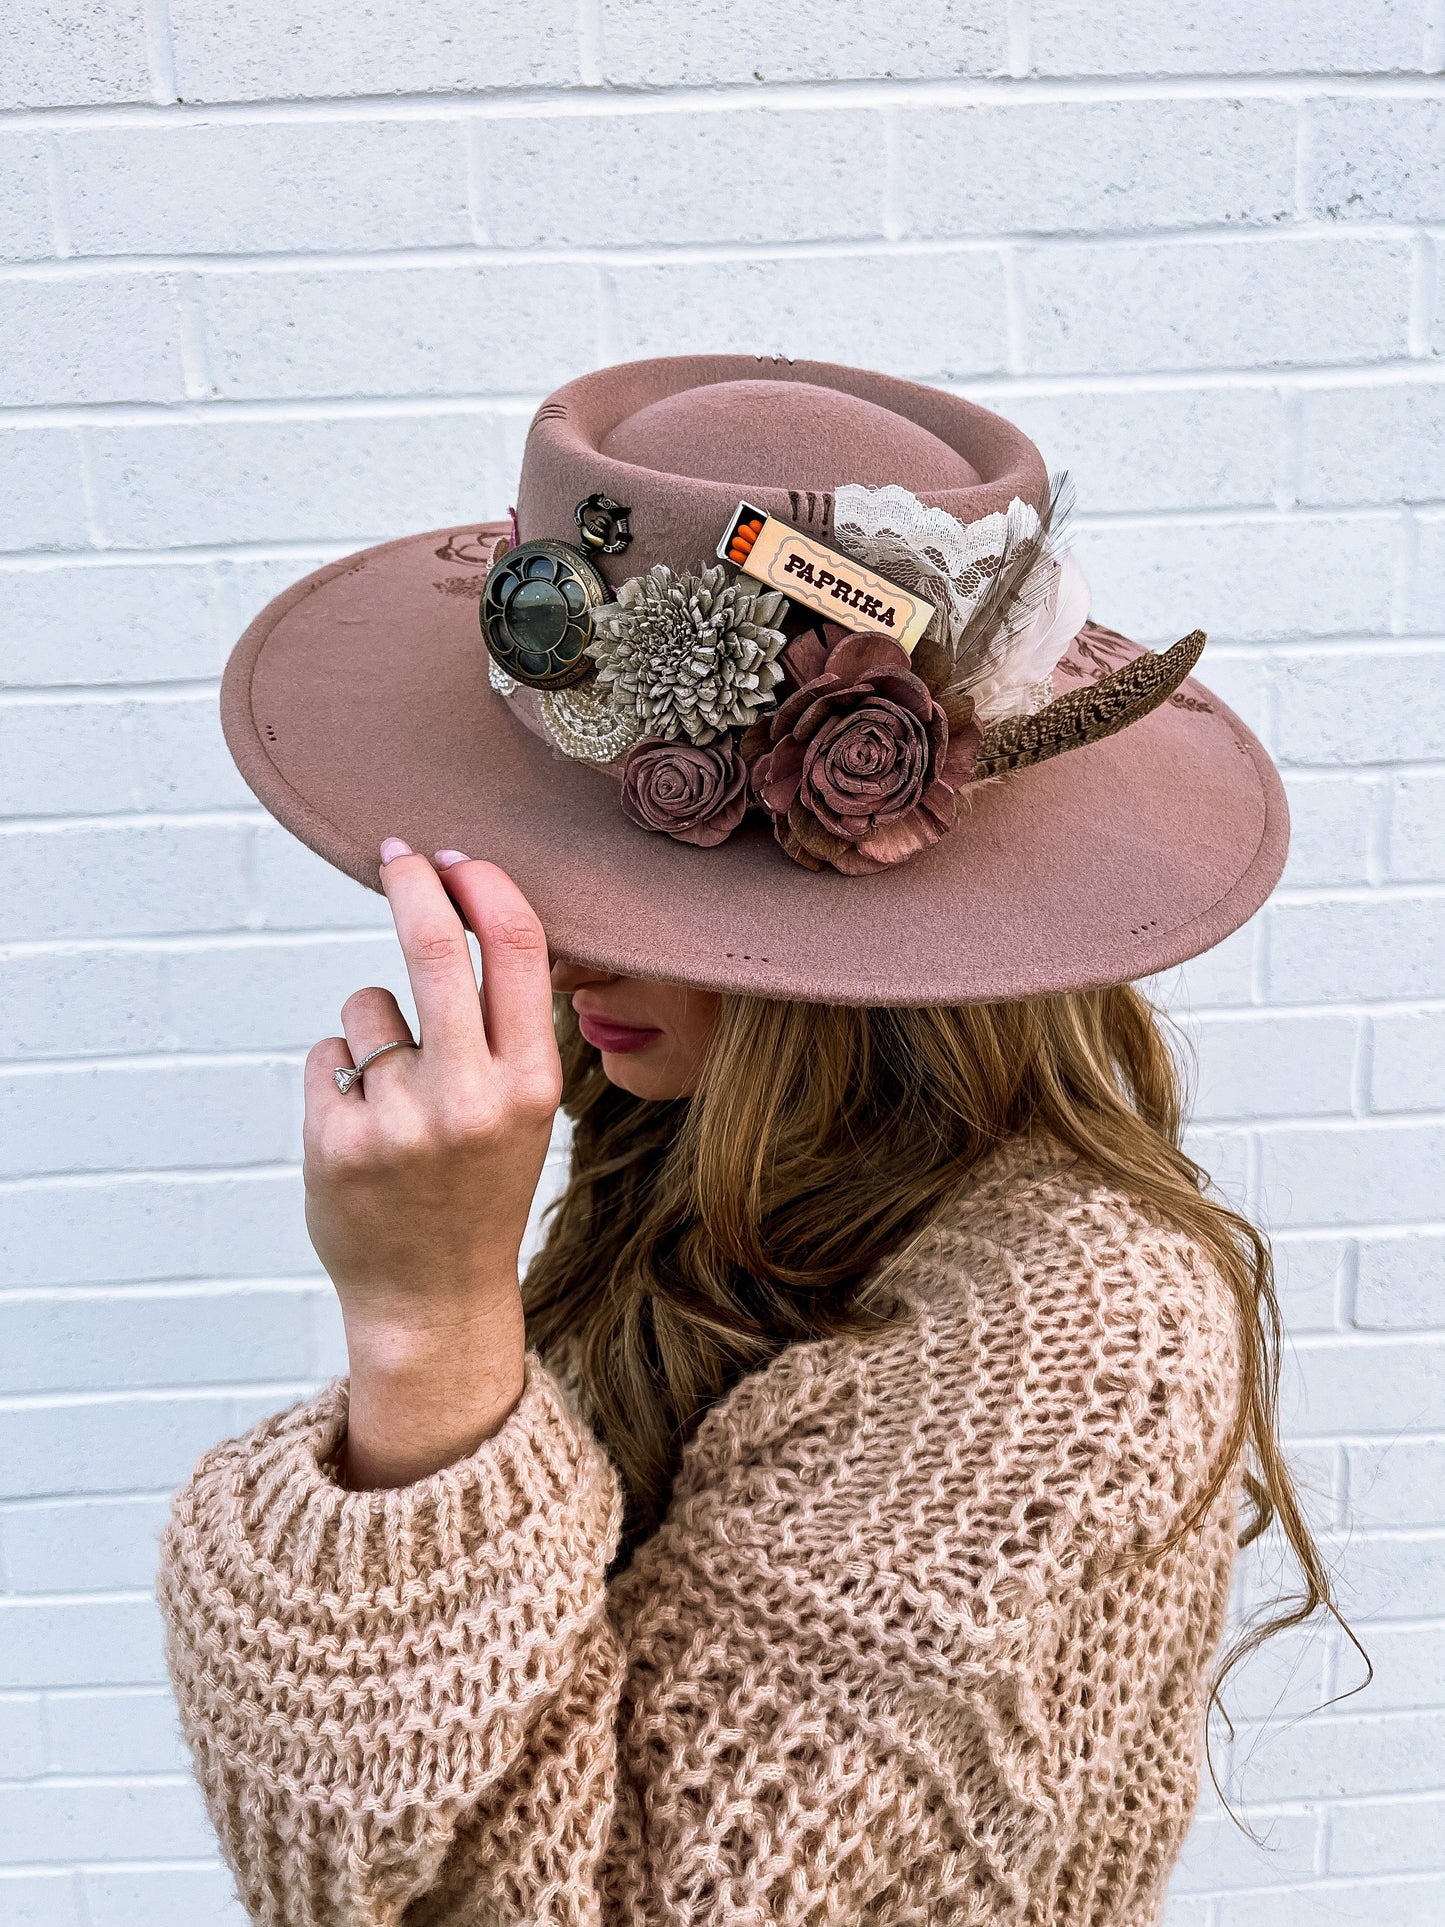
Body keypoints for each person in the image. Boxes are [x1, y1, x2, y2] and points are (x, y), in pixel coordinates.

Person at [159, 357, 1333, 1925]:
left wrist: (426, 1319)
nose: (554, 951)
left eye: (636, 890)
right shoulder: (717, 1159)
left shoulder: (1074, 1338)